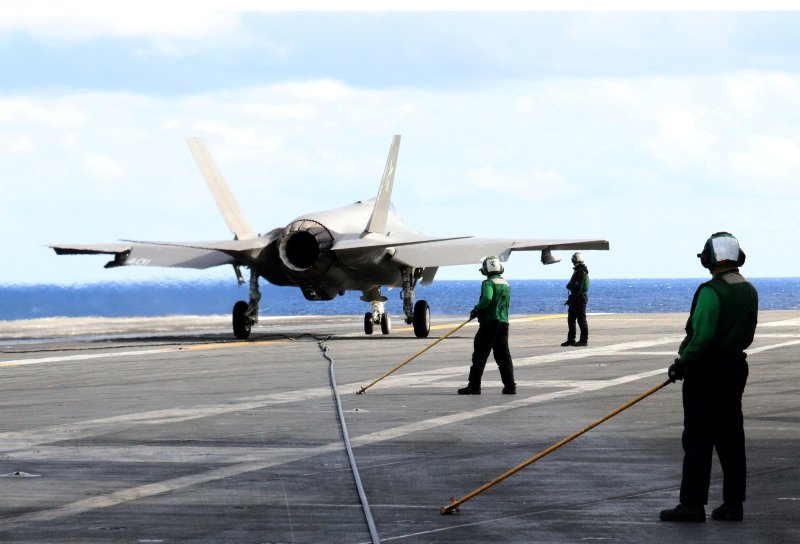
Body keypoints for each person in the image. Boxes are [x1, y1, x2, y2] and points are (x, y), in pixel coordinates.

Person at [660, 232, 758, 523]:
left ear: (708, 258)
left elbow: (701, 337)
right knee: (731, 438)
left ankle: (692, 505)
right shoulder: (748, 288)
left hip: (706, 372)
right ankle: (733, 504)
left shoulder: (711, 291)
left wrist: (681, 363)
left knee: (697, 438)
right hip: (735, 368)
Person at [458, 256, 516, 395]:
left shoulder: (488, 283)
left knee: (480, 354)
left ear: (486, 269)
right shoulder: (506, 284)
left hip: (490, 323)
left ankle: (474, 386)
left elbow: (487, 298)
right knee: (503, 356)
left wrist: (477, 309)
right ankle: (510, 386)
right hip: (503, 323)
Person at [561, 252, 589, 347]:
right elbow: (573, 285)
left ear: (574, 260)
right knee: (571, 319)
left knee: (581, 320)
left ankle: (583, 340)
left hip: (579, 299)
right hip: (577, 298)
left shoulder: (580, 272)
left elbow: (577, 288)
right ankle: (571, 339)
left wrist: (570, 300)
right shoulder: (579, 271)